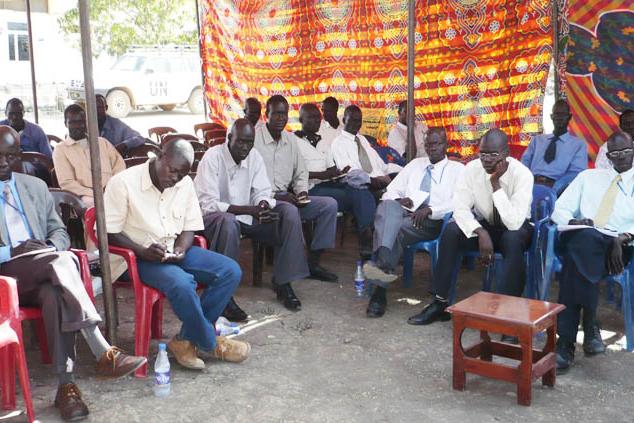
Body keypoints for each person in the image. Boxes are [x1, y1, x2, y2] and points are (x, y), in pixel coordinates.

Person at [0, 125, 146, 422]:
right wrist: (12, 251)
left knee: (55, 292)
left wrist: (50, 247)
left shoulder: (34, 187)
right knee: (62, 263)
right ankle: (103, 350)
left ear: (19, 156)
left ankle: (66, 388)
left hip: (45, 270)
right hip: (5, 275)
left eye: (11, 155)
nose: (4, 162)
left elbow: (59, 232)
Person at [104, 138, 250, 371]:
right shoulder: (123, 183)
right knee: (182, 283)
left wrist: (181, 248)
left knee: (230, 271)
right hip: (134, 257)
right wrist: (142, 251)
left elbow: (190, 226)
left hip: (171, 249)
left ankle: (186, 340)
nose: (175, 178)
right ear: (159, 155)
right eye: (172, 170)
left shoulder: (185, 184)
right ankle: (210, 342)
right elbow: (109, 233)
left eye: (181, 174)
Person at [408, 129, 534, 325]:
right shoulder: (471, 169)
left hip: (516, 228)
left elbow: (513, 222)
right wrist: (480, 232)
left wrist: (495, 184)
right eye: (483, 154)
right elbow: (460, 208)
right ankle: (440, 303)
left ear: (506, 153)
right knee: (451, 232)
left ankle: (511, 317)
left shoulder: (522, 174)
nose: (487, 160)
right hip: (486, 225)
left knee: (512, 239)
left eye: (493, 154)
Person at [196, 119, 310, 312]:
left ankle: (283, 282)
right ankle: (224, 296)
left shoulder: (254, 156)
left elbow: (262, 190)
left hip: (249, 217)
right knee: (228, 222)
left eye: (249, 142)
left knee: (288, 212)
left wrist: (262, 205)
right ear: (229, 138)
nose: (245, 147)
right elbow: (208, 204)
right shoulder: (212, 157)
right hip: (217, 220)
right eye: (240, 141)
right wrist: (249, 210)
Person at [551, 131, 634, 373]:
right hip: (581, 237)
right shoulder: (589, 177)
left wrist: (624, 236)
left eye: (626, 151)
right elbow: (559, 209)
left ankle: (566, 342)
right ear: (608, 156)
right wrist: (574, 221)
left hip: (617, 248)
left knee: (574, 264)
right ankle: (589, 324)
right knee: (585, 238)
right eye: (615, 153)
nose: (621, 157)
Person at [362, 128, 465, 317]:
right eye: (428, 144)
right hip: (404, 212)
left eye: (436, 144)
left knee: (394, 229)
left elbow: (460, 202)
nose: (431, 148)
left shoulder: (457, 170)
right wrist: (399, 199)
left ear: (446, 145)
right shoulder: (415, 164)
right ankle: (385, 256)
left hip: (430, 221)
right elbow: (391, 191)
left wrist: (431, 210)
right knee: (387, 205)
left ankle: (379, 290)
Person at [255, 95, 339, 290]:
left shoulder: (290, 140)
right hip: (262, 201)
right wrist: (275, 196)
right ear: (266, 114)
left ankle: (313, 262)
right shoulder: (255, 140)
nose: (281, 118)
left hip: (288, 197)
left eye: (284, 114)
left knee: (329, 205)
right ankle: (286, 278)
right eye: (276, 113)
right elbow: (248, 179)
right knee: (290, 211)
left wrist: (302, 192)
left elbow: (301, 172)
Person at [295, 103, 376, 258]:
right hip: (308, 189)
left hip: (328, 184)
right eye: (311, 117)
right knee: (356, 194)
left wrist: (338, 172)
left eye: (318, 117)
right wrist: (322, 175)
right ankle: (365, 237)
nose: (316, 120)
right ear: (300, 119)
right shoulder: (294, 142)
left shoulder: (322, 142)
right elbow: (293, 173)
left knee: (360, 188)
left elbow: (331, 169)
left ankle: (366, 236)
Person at [53, 104, 125, 208]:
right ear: (65, 124)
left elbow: (119, 165)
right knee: (95, 204)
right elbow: (67, 183)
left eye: (81, 122)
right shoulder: (61, 150)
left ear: (86, 122)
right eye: (73, 122)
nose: (78, 126)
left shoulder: (102, 142)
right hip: (86, 197)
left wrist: (111, 187)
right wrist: (96, 193)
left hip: (112, 189)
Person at [521, 99, 587, 189]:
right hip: (531, 184)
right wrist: (526, 184)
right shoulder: (537, 140)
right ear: (551, 116)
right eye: (556, 114)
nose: (559, 118)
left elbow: (575, 172)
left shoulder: (578, 145)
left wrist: (555, 188)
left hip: (557, 188)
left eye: (563, 114)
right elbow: (524, 164)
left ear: (569, 117)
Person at [331, 105, 394, 192]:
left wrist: (401, 170)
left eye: (359, 120)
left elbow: (381, 164)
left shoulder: (362, 139)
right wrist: (371, 180)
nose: (357, 124)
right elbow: (349, 173)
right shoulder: (338, 143)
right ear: (344, 120)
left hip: (381, 179)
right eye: (353, 120)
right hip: (364, 185)